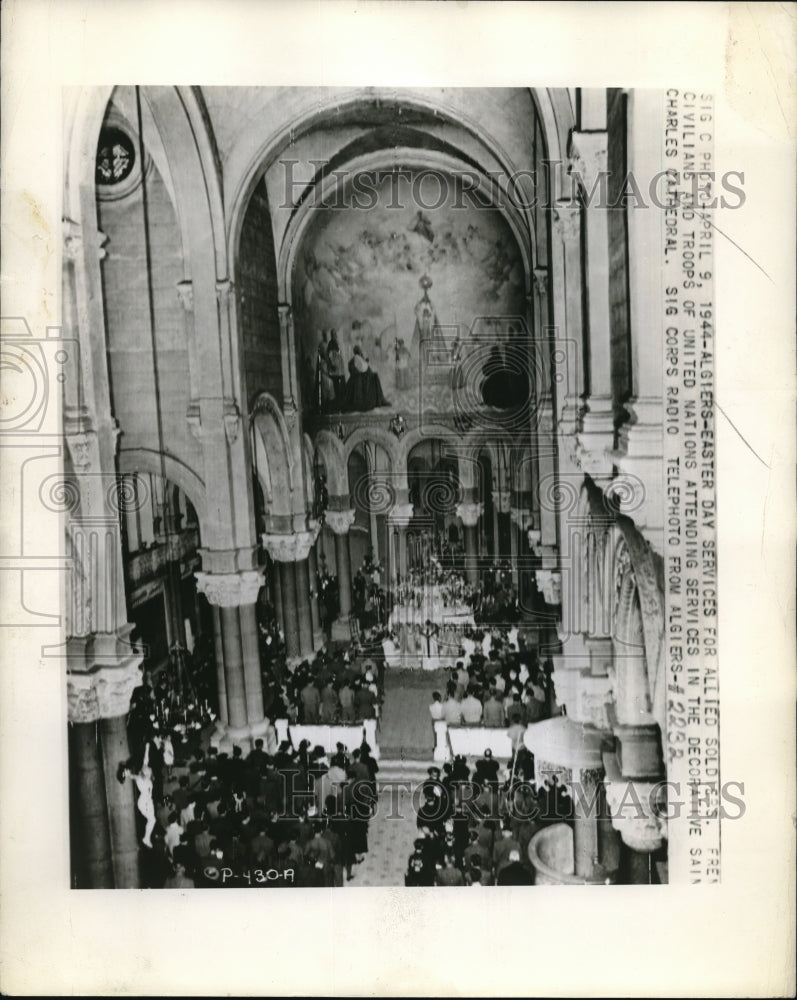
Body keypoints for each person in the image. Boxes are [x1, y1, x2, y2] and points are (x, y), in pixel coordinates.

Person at [344, 345, 390, 412]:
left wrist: (365, 361)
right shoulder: (356, 358)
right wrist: (365, 362)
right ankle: (377, 400)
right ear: (358, 351)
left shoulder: (358, 358)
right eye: (359, 350)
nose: (360, 351)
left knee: (375, 376)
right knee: (374, 378)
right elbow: (362, 368)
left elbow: (363, 367)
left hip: (362, 375)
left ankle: (379, 399)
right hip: (361, 377)